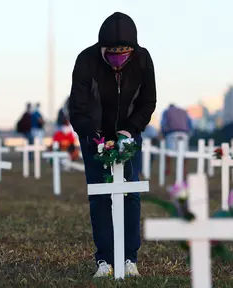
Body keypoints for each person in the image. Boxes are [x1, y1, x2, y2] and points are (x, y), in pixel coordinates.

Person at [68, 12, 156, 278]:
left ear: (132, 51)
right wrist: (94, 136)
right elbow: (78, 107)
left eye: (123, 57)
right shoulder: (86, 60)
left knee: (131, 193)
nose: (118, 64)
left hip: (128, 134)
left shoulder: (142, 59)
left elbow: (148, 101)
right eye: (112, 57)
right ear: (101, 49)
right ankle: (104, 260)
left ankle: (130, 257)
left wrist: (129, 130)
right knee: (99, 195)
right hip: (93, 136)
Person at [160, 104, 193, 175]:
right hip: (184, 133)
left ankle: (168, 170)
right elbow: (190, 123)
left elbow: (163, 123)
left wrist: (163, 134)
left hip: (172, 133)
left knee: (168, 152)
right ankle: (184, 171)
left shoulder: (166, 111)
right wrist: (189, 134)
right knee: (185, 153)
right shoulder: (184, 111)